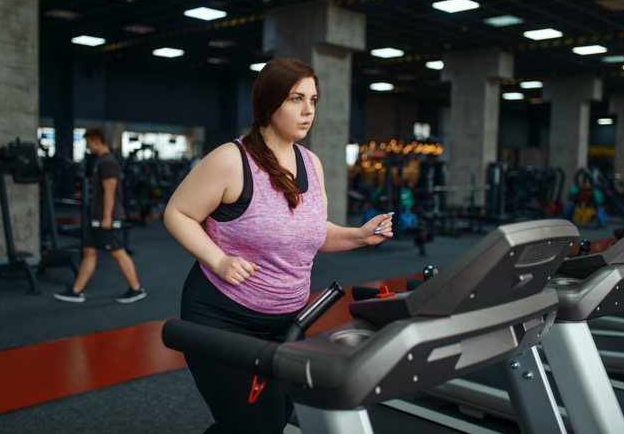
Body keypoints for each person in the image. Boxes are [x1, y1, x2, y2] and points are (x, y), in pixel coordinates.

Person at [164, 57, 393, 434]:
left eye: (313, 100)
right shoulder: (231, 160)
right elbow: (178, 213)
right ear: (269, 104)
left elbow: (312, 234)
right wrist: (218, 260)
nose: (308, 111)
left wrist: (359, 235)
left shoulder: (311, 163)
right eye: (296, 99)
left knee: (272, 419)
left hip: (288, 322)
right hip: (223, 319)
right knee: (258, 423)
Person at [54, 126, 146, 304]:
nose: (88, 147)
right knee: (89, 251)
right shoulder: (100, 161)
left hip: (106, 217)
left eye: (89, 142)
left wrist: (106, 217)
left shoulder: (108, 162)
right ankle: (77, 291)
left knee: (117, 252)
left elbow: (110, 192)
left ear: (97, 140)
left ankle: (136, 289)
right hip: (95, 216)